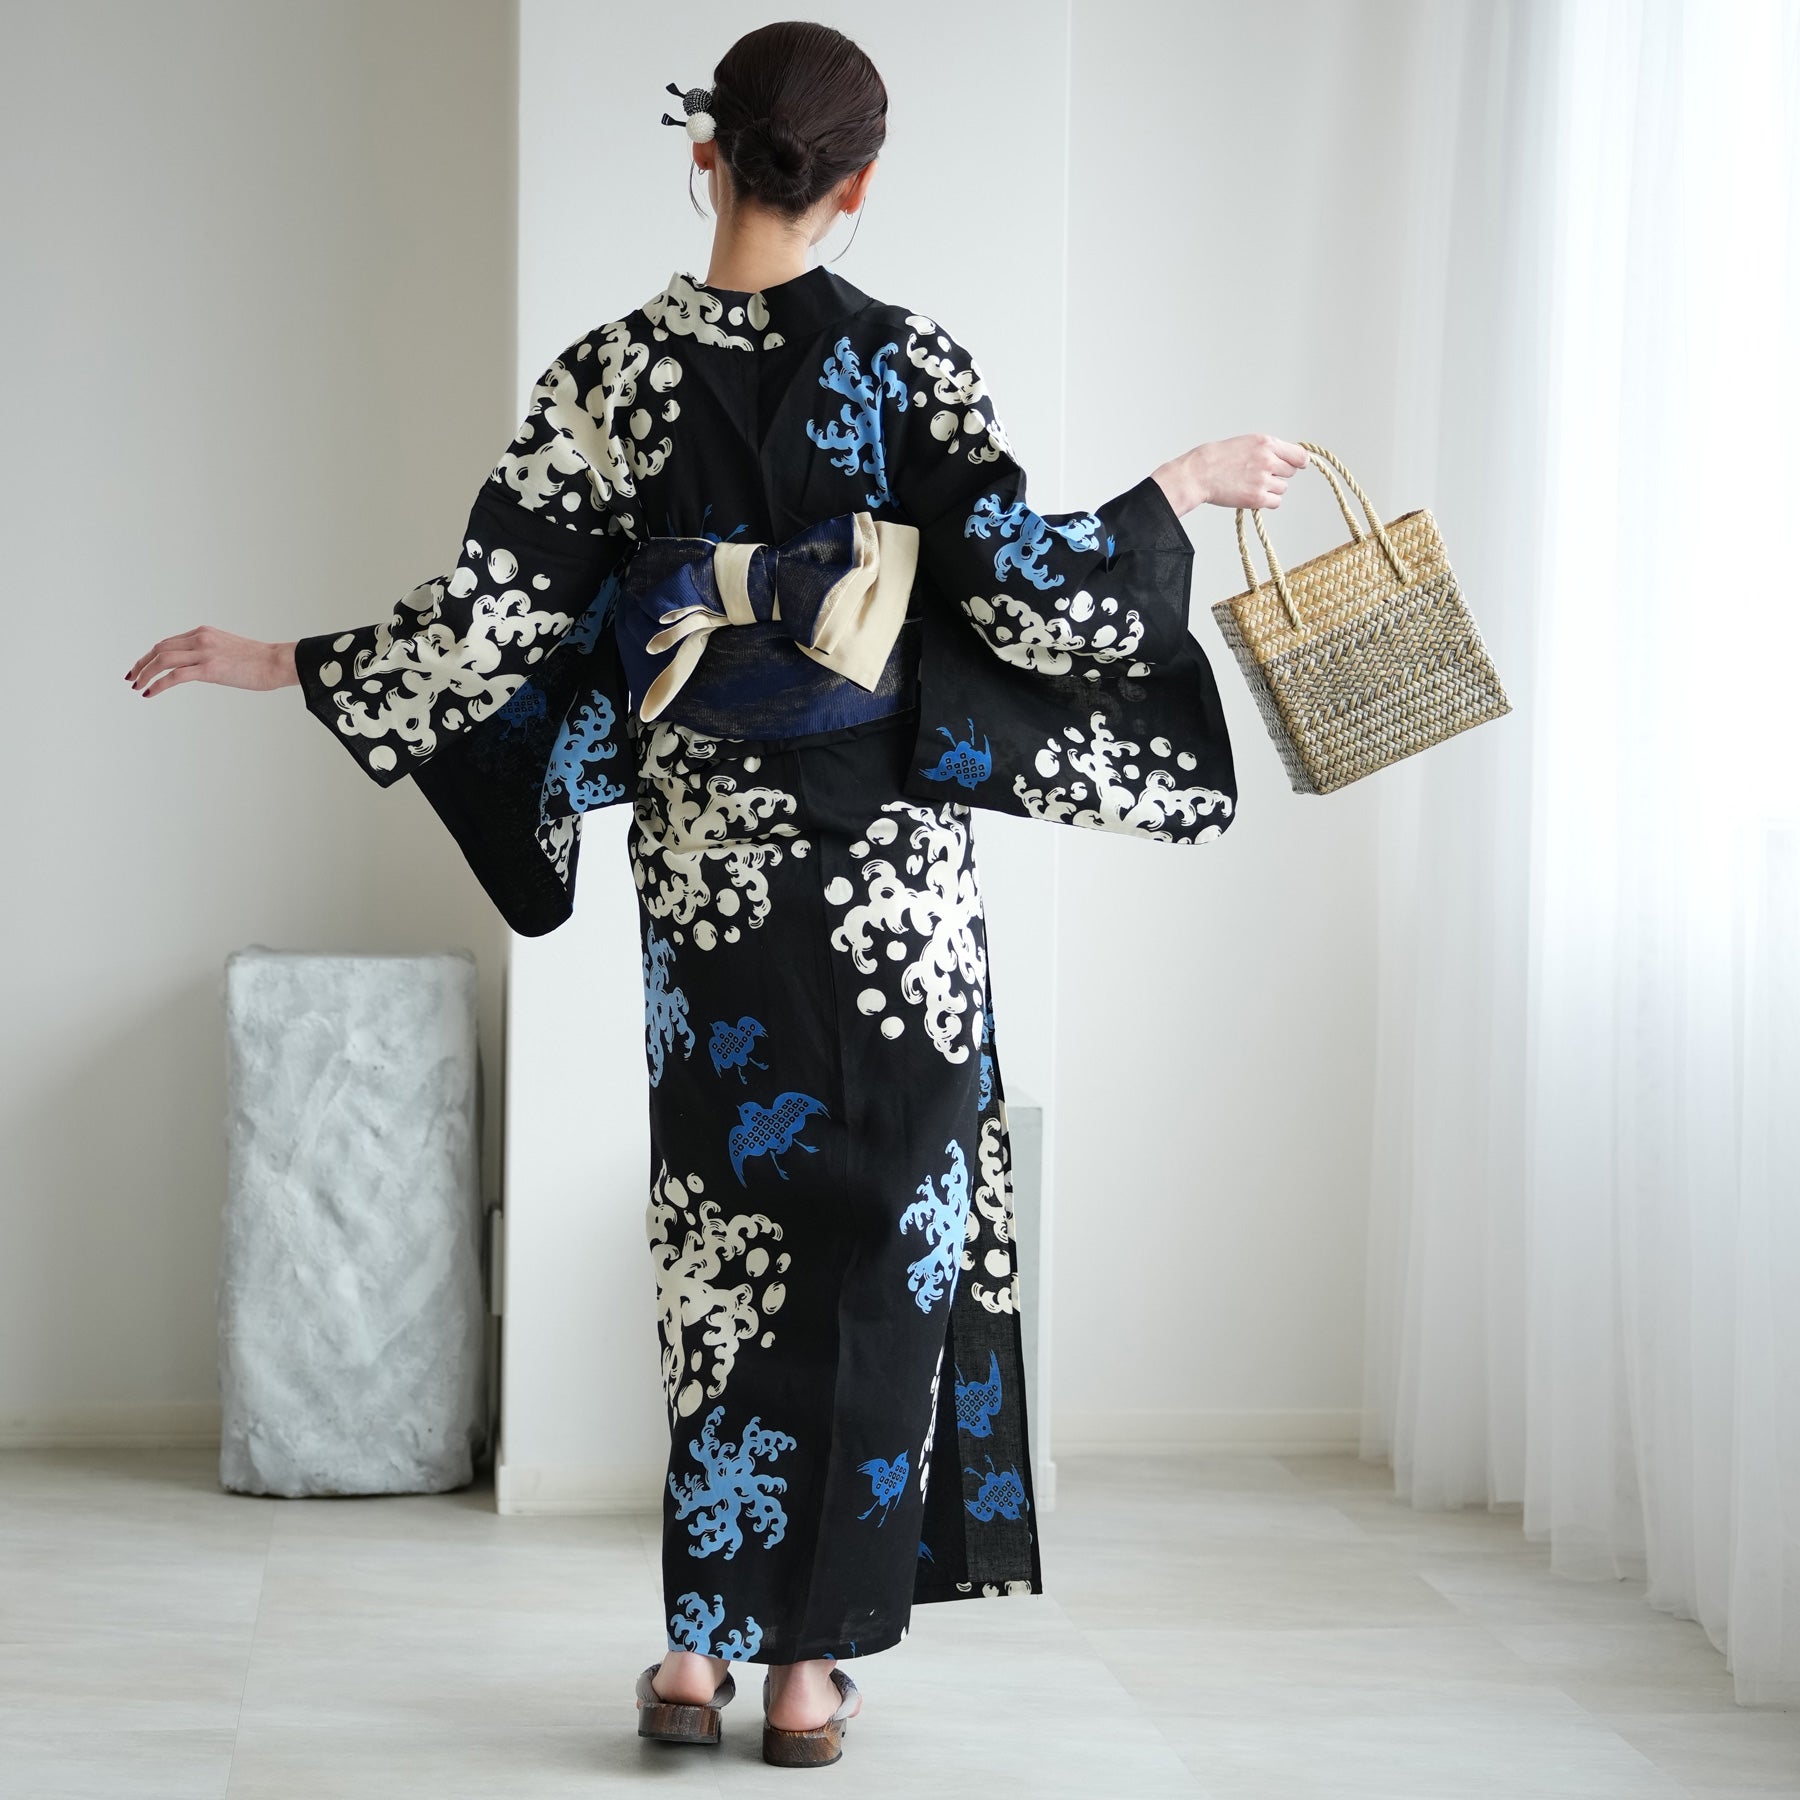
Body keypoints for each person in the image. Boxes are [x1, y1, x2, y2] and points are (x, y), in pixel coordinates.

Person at [126, 19, 1305, 1771]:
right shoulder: (906, 363)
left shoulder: (611, 377)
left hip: (715, 890)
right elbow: (1032, 597)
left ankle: (692, 1661)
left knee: (723, 1256)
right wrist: (1177, 490)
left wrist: (283, 659)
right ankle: (807, 1684)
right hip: (892, 903)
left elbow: (487, 625)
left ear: (708, 157)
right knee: (882, 1253)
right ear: (858, 183)